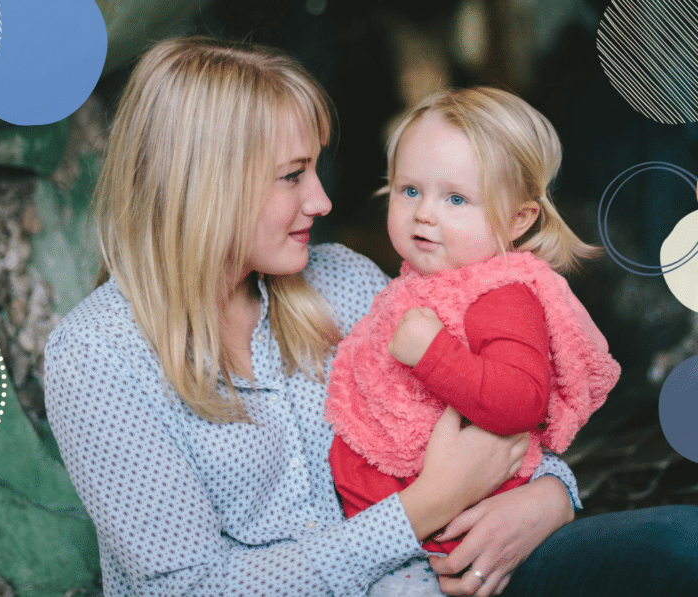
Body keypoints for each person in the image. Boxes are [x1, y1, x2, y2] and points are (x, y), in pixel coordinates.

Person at [43, 36, 698, 597]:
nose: (323, 200)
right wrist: (423, 508)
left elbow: (499, 410)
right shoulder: (96, 354)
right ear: (206, 183)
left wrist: (549, 498)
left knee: (678, 544)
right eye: (293, 175)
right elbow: (189, 588)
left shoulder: (347, 281)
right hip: (399, 560)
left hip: (448, 569)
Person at [325, 87, 621, 555]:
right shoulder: (419, 282)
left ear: (519, 220)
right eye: (410, 190)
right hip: (392, 526)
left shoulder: (501, 295)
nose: (424, 212)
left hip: (458, 534)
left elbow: (523, 401)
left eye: (456, 199)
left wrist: (434, 355)